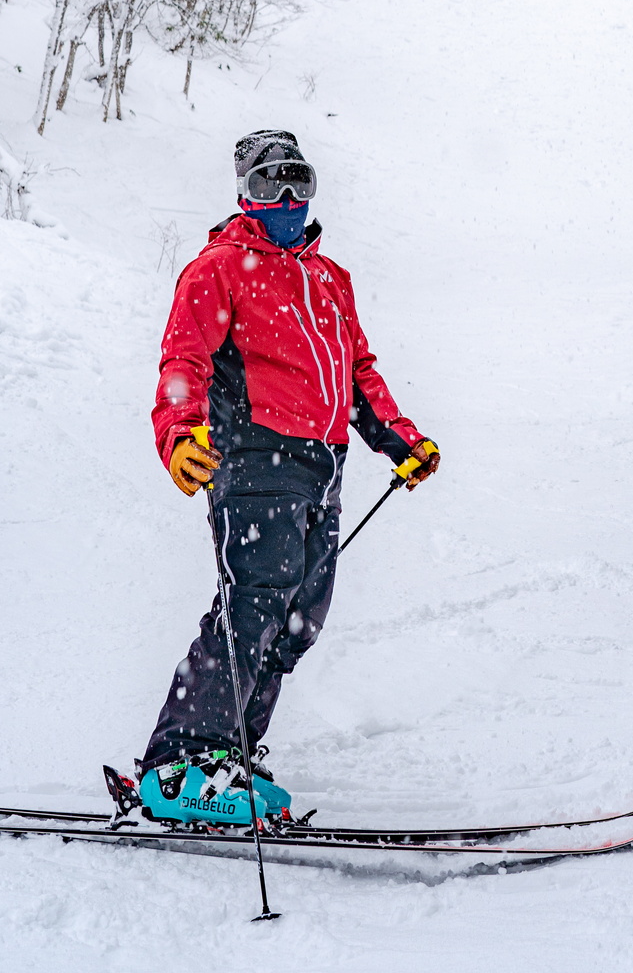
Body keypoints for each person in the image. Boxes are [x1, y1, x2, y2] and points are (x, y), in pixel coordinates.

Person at [129, 128, 439, 825]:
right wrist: (179, 435)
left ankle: (229, 754)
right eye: (272, 183)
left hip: (323, 465)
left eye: (299, 178)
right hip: (253, 457)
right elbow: (184, 361)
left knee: (299, 620)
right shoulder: (220, 268)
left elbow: (358, 374)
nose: (289, 195)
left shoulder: (331, 281)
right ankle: (181, 763)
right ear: (245, 193)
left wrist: (402, 442)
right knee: (254, 606)